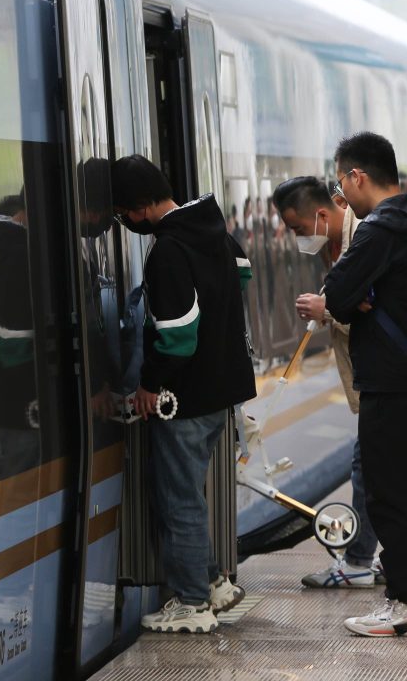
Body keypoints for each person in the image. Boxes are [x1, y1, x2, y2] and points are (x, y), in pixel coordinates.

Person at [110, 155, 256, 634]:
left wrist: (150, 384)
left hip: (186, 396)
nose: (127, 223)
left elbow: (177, 335)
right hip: (223, 390)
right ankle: (214, 582)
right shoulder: (214, 230)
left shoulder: (169, 250)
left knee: (179, 500)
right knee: (190, 493)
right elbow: (242, 275)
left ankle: (192, 602)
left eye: (124, 214)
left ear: (139, 207)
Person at [324, 132, 407, 637]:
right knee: (402, 490)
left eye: (341, 183)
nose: (342, 195)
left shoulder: (378, 230)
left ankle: (403, 600)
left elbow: (337, 294)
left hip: (388, 381)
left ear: (358, 176)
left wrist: (361, 296)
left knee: (387, 495)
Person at [272, 176, 382, 589]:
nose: (298, 237)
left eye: (298, 229)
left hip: (385, 380)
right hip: (369, 381)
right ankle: (383, 561)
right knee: (381, 474)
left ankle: (359, 563)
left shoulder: (363, 238)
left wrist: (328, 308)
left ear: (321, 214)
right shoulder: (337, 244)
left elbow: (375, 312)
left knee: (369, 469)